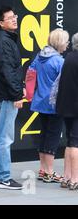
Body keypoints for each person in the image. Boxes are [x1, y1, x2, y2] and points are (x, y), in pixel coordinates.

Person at [0, 6, 25, 190]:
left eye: (14, 16)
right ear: (1, 23)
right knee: (4, 138)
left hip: (2, 94)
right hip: (7, 95)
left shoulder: (4, 40)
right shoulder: (4, 41)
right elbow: (7, 70)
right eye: (9, 18)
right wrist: (17, 93)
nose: (14, 20)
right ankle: (3, 177)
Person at [29, 29, 69, 183]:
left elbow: (31, 73)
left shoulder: (39, 57)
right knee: (53, 137)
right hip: (55, 104)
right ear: (59, 43)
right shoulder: (59, 61)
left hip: (40, 102)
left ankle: (43, 170)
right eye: (65, 41)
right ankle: (49, 172)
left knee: (44, 134)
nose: (67, 45)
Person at [56, 32, 78, 190]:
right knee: (75, 143)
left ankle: (66, 177)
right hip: (76, 107)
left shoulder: (69, 58)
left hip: (66, 106)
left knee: (70, 142)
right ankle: (75, 179)